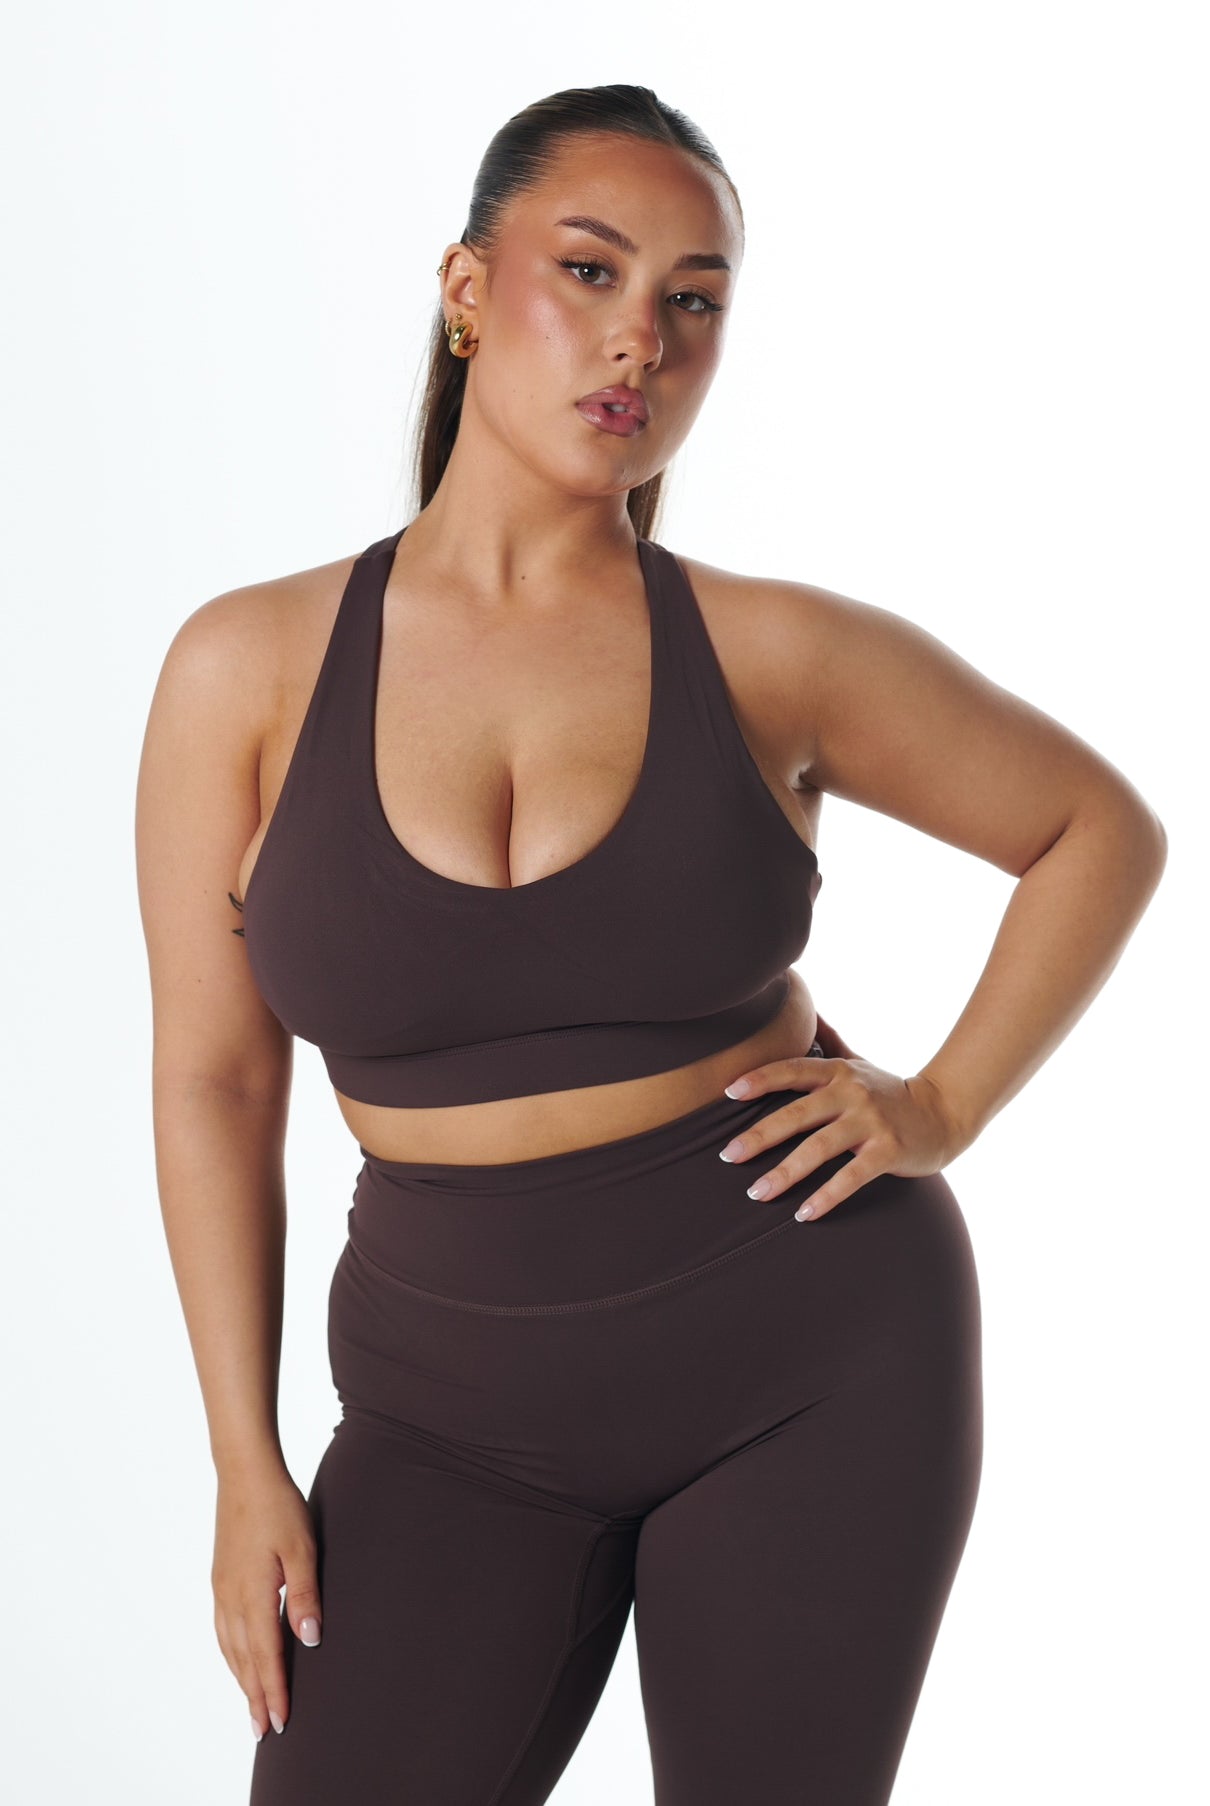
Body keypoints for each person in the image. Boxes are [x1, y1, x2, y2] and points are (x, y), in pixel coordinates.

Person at [135, 82, 1166, 1806]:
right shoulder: (245, 668)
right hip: (444, 1415)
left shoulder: (773, 651)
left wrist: (938, 1105)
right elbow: (216, 1082)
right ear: (466, 289)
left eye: (693, 299)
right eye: (590, 271)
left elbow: (1093, 829)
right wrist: (245, 1458)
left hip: (810, 1358)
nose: (642, 339)